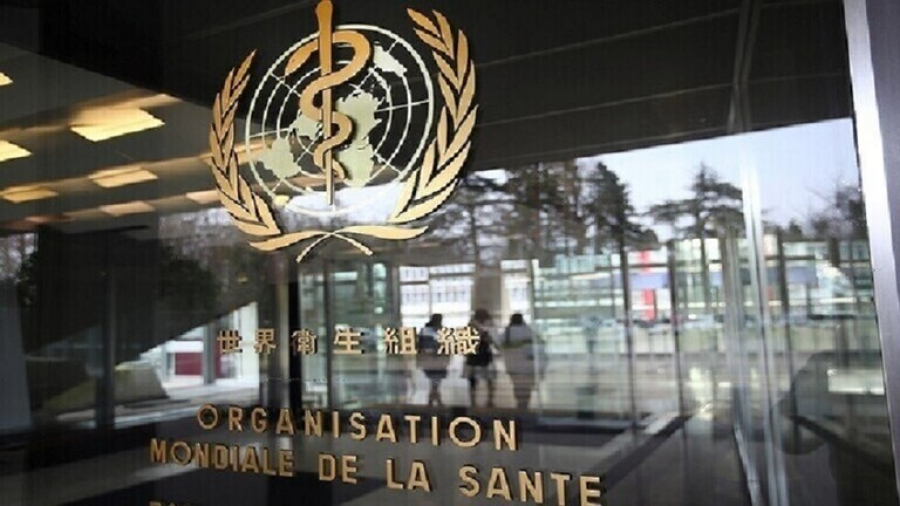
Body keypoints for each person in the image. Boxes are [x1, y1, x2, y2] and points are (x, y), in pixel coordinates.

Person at [502, 313, 546, 410]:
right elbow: (539, 341)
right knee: (526, 384)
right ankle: (525, 401)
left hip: (512, 363)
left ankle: (519, 401)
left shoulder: (507, 331)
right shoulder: (527, 330)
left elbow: (501, 346)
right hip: (526, 363)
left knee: (517, 384)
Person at [417, 314, 450, 407]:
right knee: (435, 376)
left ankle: (433, 395)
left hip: (436, 356)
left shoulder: (428, 330)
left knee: (436, 377)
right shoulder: (428, 330)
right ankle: (434, 395)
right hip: (431, 356)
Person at [466, 308, 496, 408]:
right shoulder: (478, 325)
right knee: (481, 378)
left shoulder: (473, 325)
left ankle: (476, 400)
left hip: (478, 353)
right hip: (481, 353)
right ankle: (485, 400)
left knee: (480, 379)